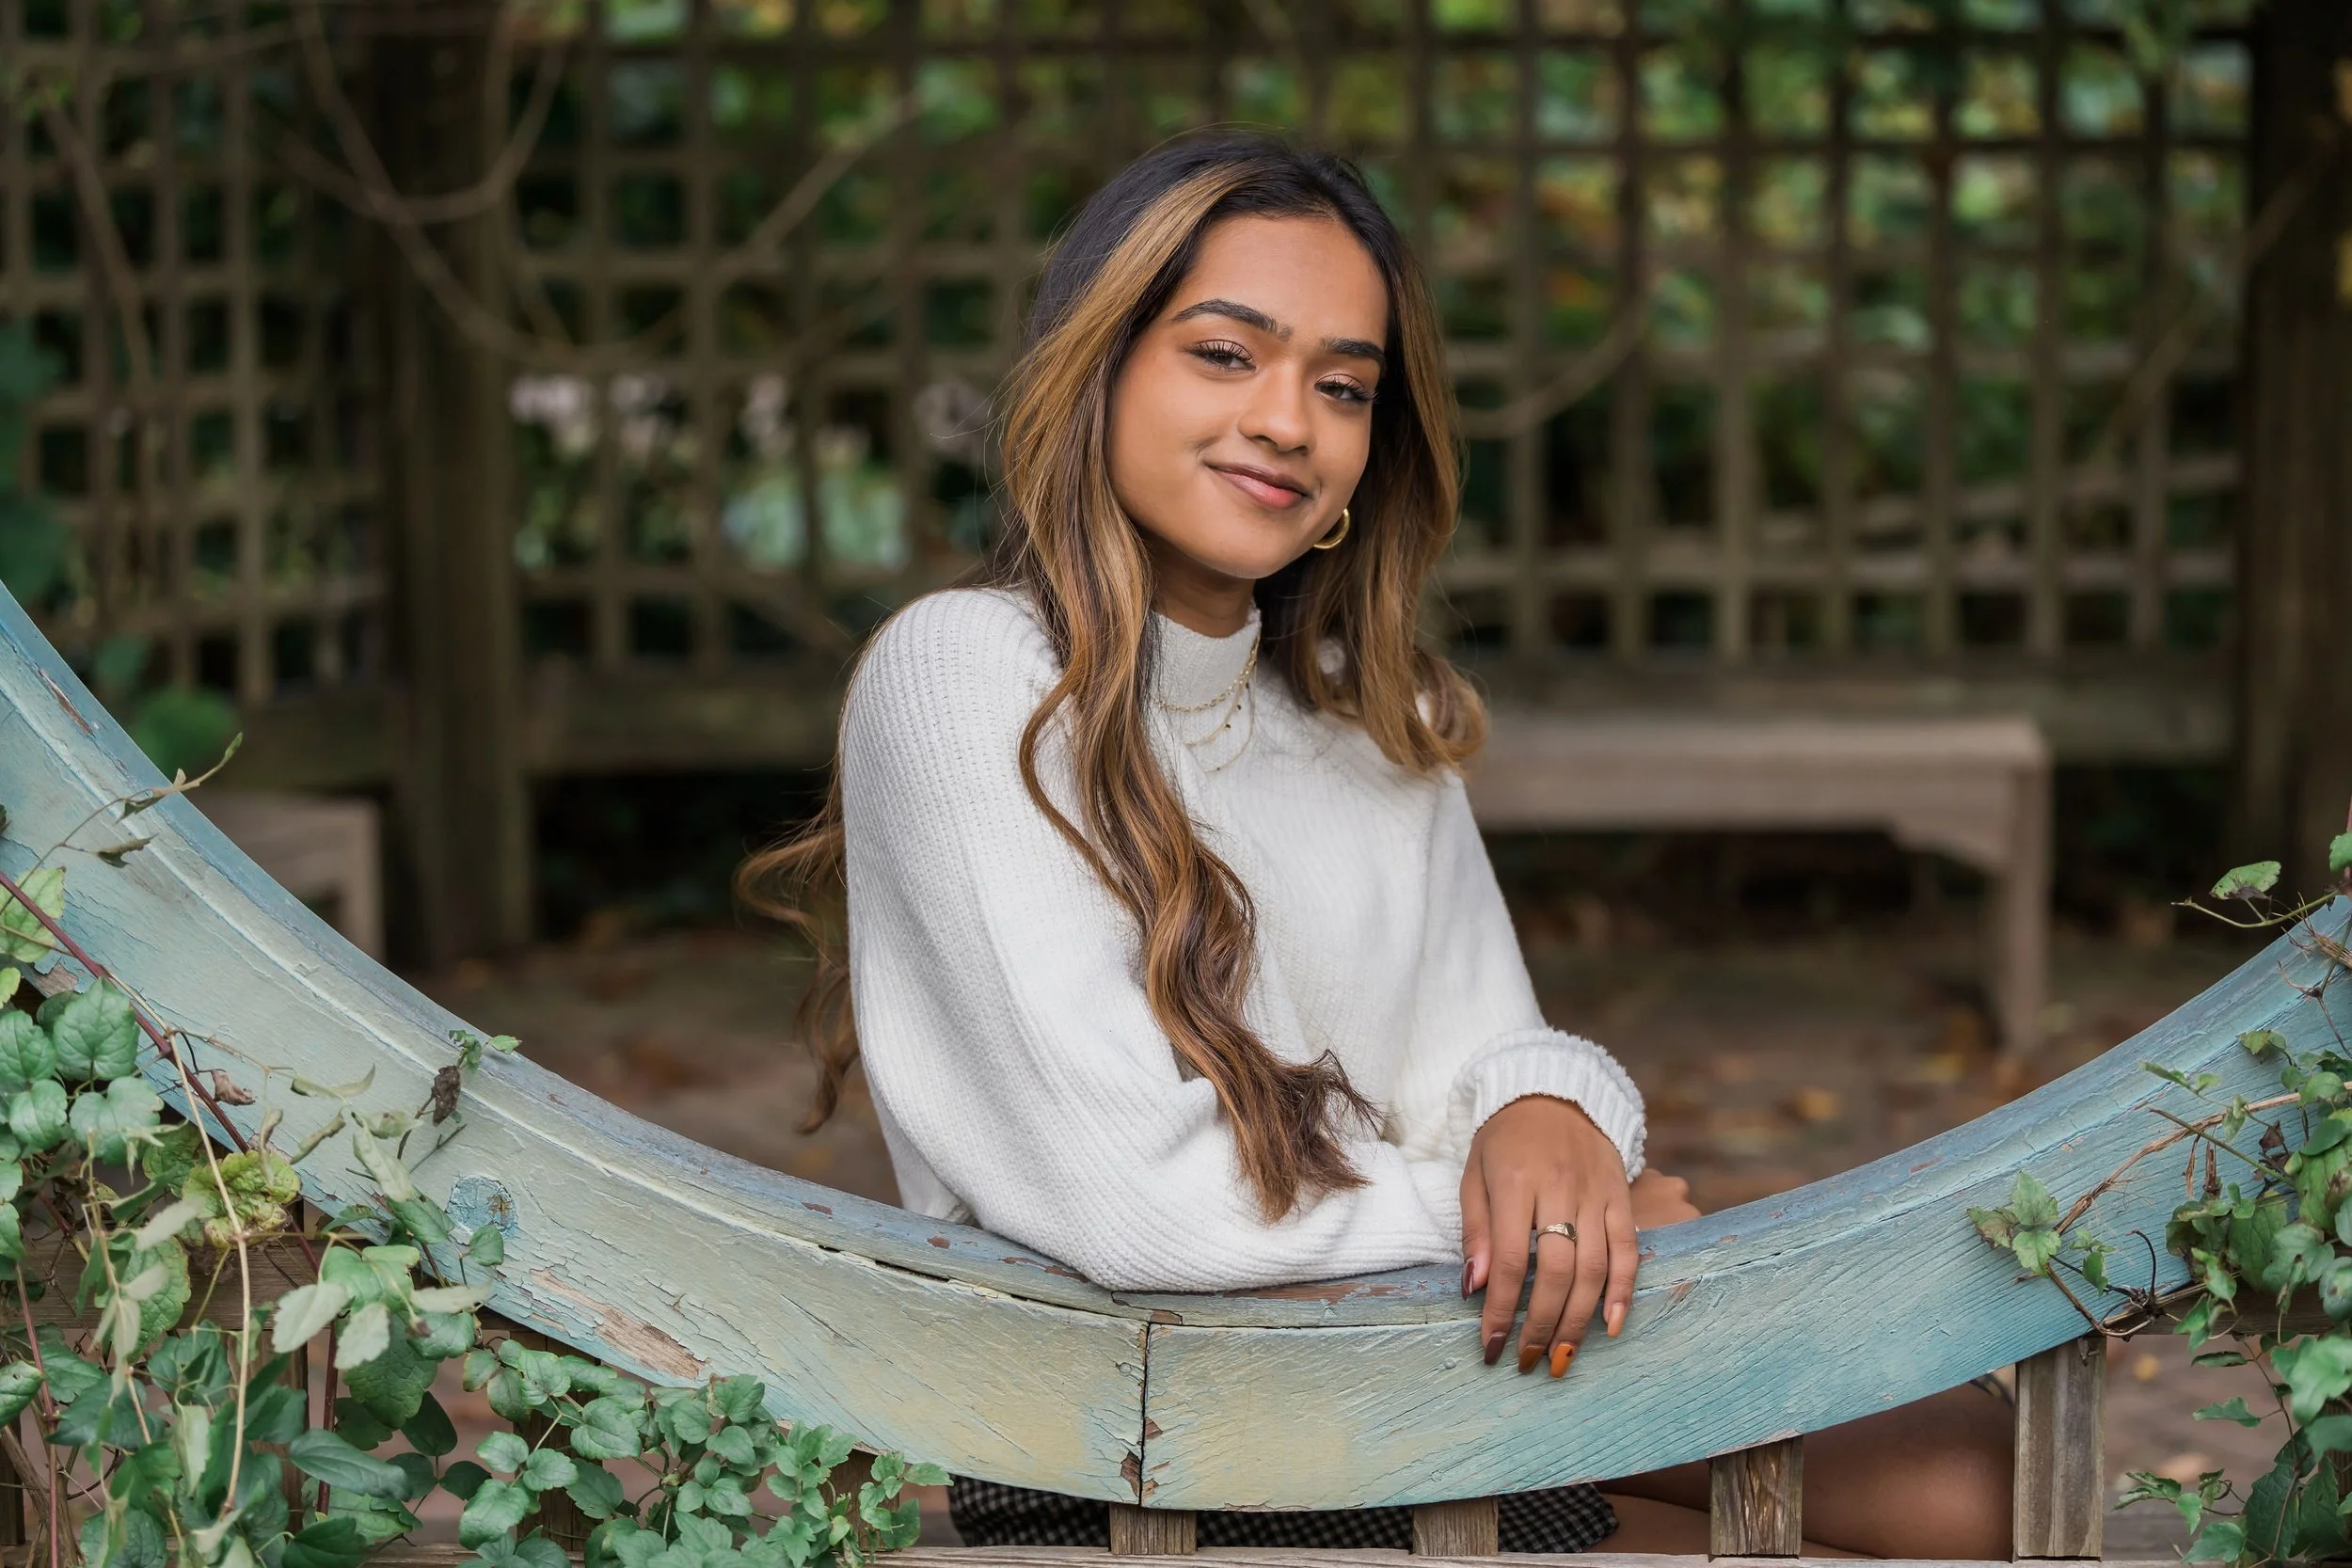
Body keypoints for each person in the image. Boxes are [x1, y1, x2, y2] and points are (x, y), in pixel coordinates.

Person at [740, 132, 2012, 1557]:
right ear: (1096, 373)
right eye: (1226, 355)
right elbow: (1135, 1207)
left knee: (1974, 1470)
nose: (1288, 419)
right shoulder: (966, 676)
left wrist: (1555, 1114)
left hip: (1411, 1372)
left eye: (1342, 386)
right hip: (1143, 1440)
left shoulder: (1369, 718)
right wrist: (1515, 1223)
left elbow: (1478, 1061)